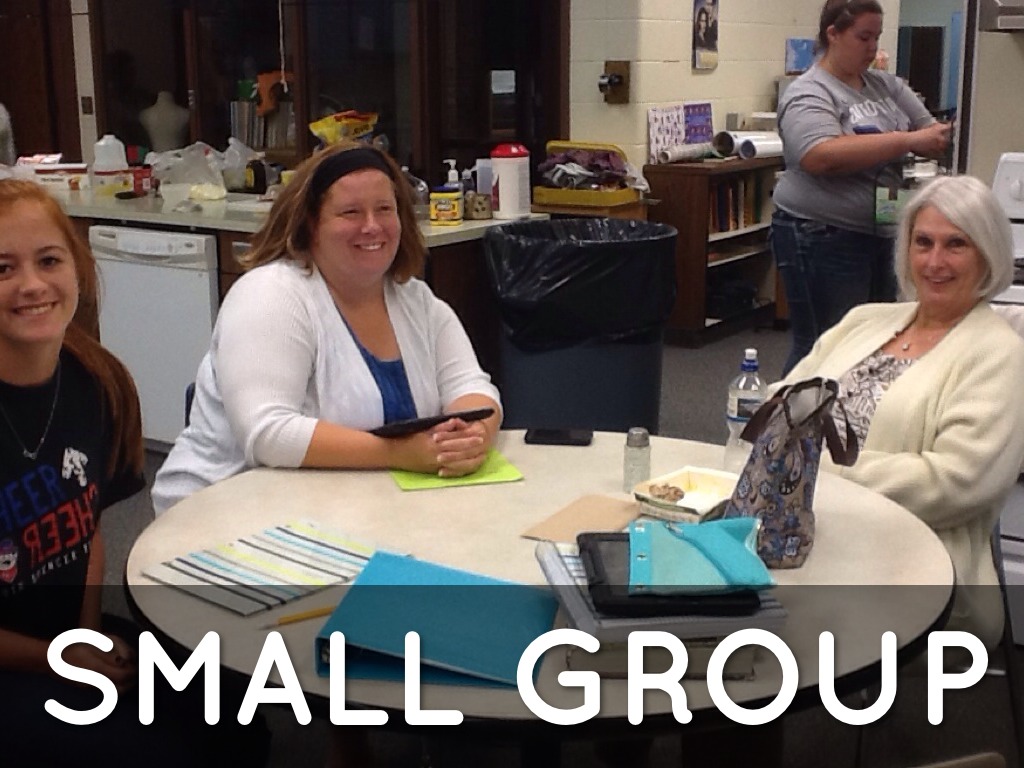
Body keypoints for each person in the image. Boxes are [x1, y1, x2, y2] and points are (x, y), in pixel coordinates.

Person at [152, 141, 502, 514]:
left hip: (348, 508)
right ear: (311, 224)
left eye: (385, 209)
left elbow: (473, 388)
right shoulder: (270, 295)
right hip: (221, 511)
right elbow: (268, 433)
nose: (372, 226)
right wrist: (399, 453)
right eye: (351, 212)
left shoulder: (417, 301)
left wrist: (471, 437)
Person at [780, 174, 1024, 648]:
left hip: (917, 564)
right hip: (808, 530)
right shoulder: (866, 319)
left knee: (759, 619)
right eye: (923, 242)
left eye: (956, 245)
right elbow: (780, 407)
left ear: (988, 254)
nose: (935, 262)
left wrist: (815, 470)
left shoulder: (1000, 354)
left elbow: (953, 482)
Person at [0, 179, 178, 764]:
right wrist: (58, 661)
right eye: (2, 268)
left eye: (49, 260)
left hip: (64, 635)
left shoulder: (97, 380)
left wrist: (84, 636)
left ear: (78, 269)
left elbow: (89, 529)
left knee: (228, 696)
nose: (32, 284)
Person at [771, 0, 953, 375]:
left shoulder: (884, 85)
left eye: (876, 38)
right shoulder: (810, 92)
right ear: (833, 34)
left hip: (880, 231)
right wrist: (905, 140)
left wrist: (926, 138)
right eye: (863, 37)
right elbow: (820, 155)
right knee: (825, 345)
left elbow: (931, 133)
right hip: (821, 234)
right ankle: (794, 412)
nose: (872, 48)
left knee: (873, 342)